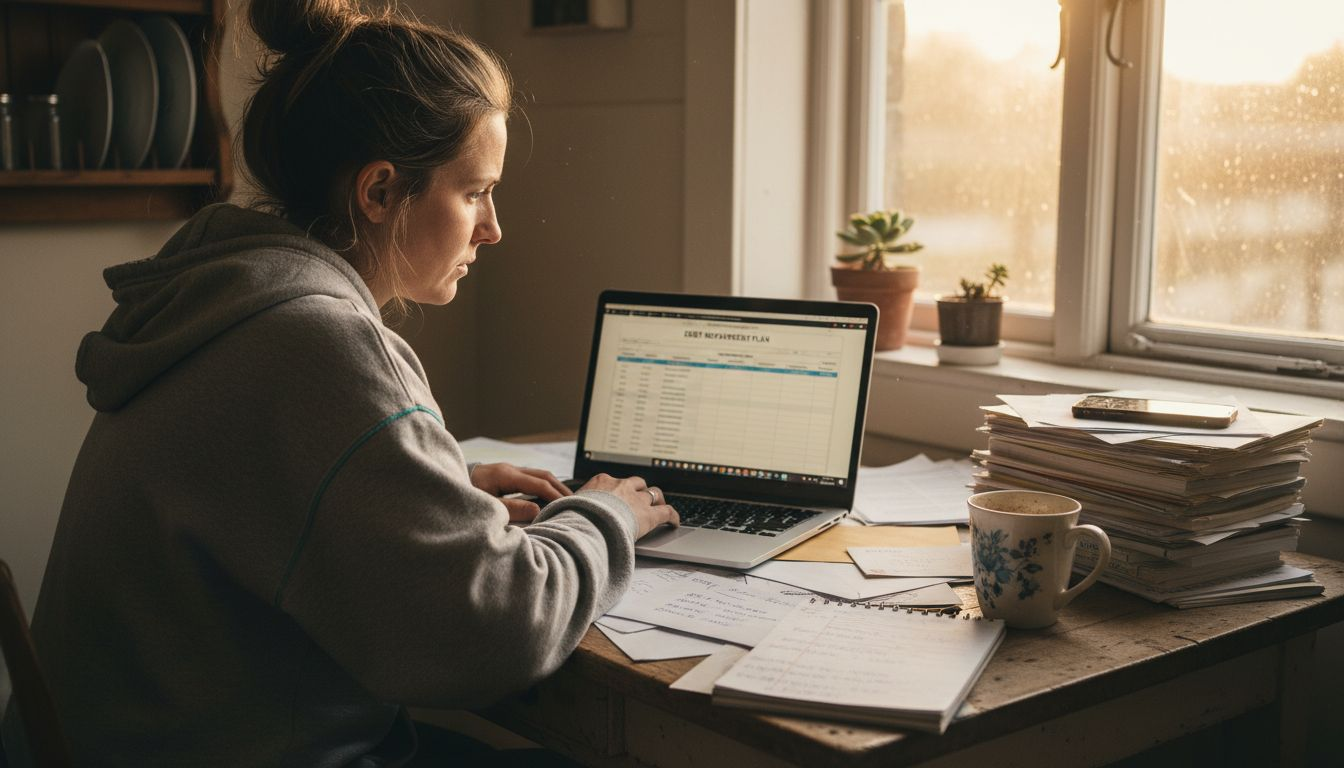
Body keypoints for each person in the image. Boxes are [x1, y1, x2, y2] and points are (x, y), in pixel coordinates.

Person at [27, 1, 678, 765]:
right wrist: (605, 515)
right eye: (474, 192)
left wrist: (438, 485)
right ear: (377, 192)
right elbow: (497, 632)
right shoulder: (321, 343)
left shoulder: (227, 299)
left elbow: (252, 490)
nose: (492, 227)